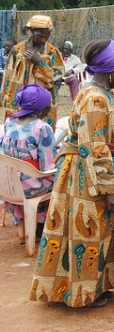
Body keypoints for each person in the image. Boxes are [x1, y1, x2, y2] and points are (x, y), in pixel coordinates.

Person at [29, 39, 114, 308]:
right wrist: (110, 189)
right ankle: (83, 293)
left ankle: (98, 285)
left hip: (100, 171)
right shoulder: (94, 99)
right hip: (90, 177)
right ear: (109, 70)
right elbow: (94, 147)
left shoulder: (103, 94)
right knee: (89, 233)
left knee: (102, 232)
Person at [0, 84, 57, 243]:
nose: (50, 107)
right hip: (30, 187)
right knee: (63, 180)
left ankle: (24, 225)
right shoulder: (42, 128)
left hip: (8, 184)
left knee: (28, 174)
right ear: (40, 108)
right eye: (48, 104)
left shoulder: (9, 122)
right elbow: (48, 166)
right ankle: (41, 225)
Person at [0, 15, 64, 129]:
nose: (44, 39)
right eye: (40, 36)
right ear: (31, 32)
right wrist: (4, 97)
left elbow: (58, 77)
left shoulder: (52, 52)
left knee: (41, 132)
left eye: (47, 36)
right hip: (18, 100)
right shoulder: (17, 50)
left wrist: (40, 63)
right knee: (16, 130)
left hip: (42, 103)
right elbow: (8, 76)